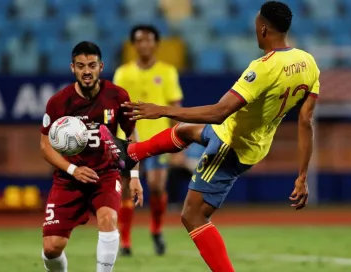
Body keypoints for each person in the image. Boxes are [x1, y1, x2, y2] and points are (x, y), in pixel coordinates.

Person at [101, 1, 319, 271]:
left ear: (263, 29)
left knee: (192, 216)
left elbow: (219, 112)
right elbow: (306, 120)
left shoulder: (263, 67)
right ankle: (132, 152)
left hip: (234, 144)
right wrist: (302, 175)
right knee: (185, 131)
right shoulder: (308, 62)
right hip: (247, 136)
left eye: (255, 25)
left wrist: (161, 110)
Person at [40, 41, 143, 272]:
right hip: (68, 179)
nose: (87, 71)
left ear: (101, 67)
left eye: (92, 65)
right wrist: (72, 170)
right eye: (81, 66)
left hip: (106, 174)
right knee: (51, 248)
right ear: (72, 68)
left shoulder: (117, 96)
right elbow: (45, 146)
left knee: (108, 220)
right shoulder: (58, 102)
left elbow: (132, 136)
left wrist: (134, 175)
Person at [113, 25, 184, 256]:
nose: (144, 44)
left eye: (149, 40)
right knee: (125, 190)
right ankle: (125, 241)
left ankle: (156, 229)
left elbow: (175, 108)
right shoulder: (123, 73)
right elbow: (116, 109)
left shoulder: (167, 71)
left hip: (158, 140)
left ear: (156, 43)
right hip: (128, 140)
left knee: (156, 186)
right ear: (133, 44)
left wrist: (179, 142)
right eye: (140, 40)